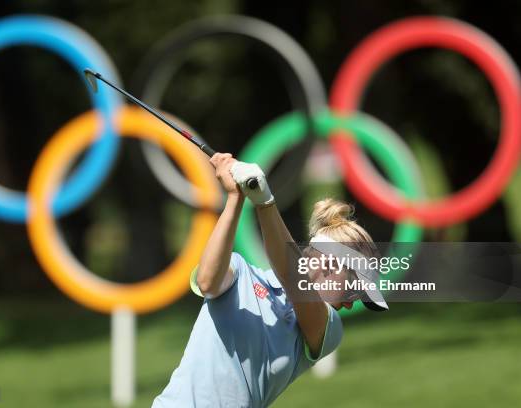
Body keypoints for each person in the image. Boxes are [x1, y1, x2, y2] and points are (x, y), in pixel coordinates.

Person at [152, 153, 388, 408]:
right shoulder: (241, 272)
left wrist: (266, 203)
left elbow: (294, 279)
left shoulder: (330, 330)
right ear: (332, 266)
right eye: (354, 290)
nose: (351, 303)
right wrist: (234, 198)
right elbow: (208, 282)